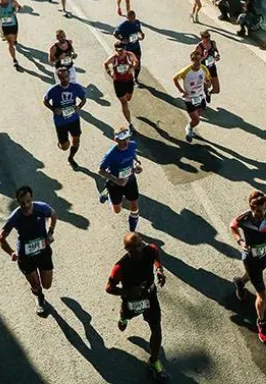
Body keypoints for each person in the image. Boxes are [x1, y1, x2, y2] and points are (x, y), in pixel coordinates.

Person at [105, 231, 168, 382]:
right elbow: (109, 288)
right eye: (138, 245)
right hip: (132, 300)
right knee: (127, 315)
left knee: (157, 329)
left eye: (141, 242)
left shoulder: (150, 250)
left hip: (150, 296)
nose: (142, 246)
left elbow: (156, 254)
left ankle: (154, 361)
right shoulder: (121, 267)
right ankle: (123, 317)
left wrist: (159, 269)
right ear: (129, 249)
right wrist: (127, 291)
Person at [229, 190, 266, 343]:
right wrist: (240, 241)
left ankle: (240, 282)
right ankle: (261, 323)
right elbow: (232, 226)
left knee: (255, 273)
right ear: (251, 208)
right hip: (250, 259)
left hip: (265, 256)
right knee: (263, 296)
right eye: (259, 210)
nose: (262, 213)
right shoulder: (245, 218)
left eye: (264, 209)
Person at [0, 186, 57, 317]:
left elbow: (53, 215)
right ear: (18, 202)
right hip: (25, 257)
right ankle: (39, 298)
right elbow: (1, 238)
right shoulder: (15, 216)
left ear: (32, 198)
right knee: (35, 284)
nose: (26, 205)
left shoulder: (41, 208)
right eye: (22, 203)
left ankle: (41, 290)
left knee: (47, 285)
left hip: (43, 253)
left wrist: (50, 232)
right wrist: (11, 253)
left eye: (28, 201)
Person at [99, 127, 142, 232]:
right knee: (117, 210)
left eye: (127, 138)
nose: (126, 142)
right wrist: (116, 180)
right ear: (116, 140)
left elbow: (133, 153)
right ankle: (108, 193)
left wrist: (137, 162)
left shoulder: (132, 145)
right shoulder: (110, 154)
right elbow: (101, 171)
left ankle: (132, 231)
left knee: (134, 206)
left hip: (130, 180)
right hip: (115, 184)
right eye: (122, 140)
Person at [43, 67, 86, 169]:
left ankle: (71, 158)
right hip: (60, 121)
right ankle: (61, 143)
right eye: (62, 77)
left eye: (66, 76)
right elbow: (45, 101)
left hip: (73, 119)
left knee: (76, 140)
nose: (65, 79)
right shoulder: (53, 90)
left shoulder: (76, 87)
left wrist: (79, 107)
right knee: (65, 147)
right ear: (58, 78)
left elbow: (84, 99)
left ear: (69, 76)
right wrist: (53, 109)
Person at [172, 49, 211, 143]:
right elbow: (175, 79)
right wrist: (181, 91)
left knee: (199, 114)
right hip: (189, 98)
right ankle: (189, 128)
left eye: (199, 59)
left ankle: (192, 124)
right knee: (196, 120)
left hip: (200, 96)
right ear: (192, 60)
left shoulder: (204, 69)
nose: (198, 62)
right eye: (195, 60)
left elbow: (208, 80)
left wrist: (208, 83)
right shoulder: (186, 71)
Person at [104, 42, 140, 128]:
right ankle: (130, 123)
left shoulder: (130, 55)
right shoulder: (114, 58)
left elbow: (136, 61)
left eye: (121, 50)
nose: (119, 52)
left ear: (125, 48)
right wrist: (110, 73)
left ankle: (126, 100)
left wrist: (132, 68)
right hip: (118, 83)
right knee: (124, 103)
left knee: (128, 98)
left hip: (129, 81)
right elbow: (105, 64)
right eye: (117, 50)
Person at [0, 0, 24, 68]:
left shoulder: (12, 2)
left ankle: (15, 40)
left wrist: (16, 10)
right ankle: (14, 59)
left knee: (14, 39)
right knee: (10, 43)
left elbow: (20, 7)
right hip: (5, 26)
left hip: (14, 24)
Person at [196, 29, 221, 97]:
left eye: (209, 36)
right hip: (203, 69)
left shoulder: (213, 43)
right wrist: (204, 56)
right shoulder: (199, 47)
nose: (208, 38)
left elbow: (216, 52)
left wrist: (217, 56)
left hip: (212, 67)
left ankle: (208, 94)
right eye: (206, 37)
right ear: (202, 37)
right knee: (208, 84)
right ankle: (202, 93)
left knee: (216, 90)